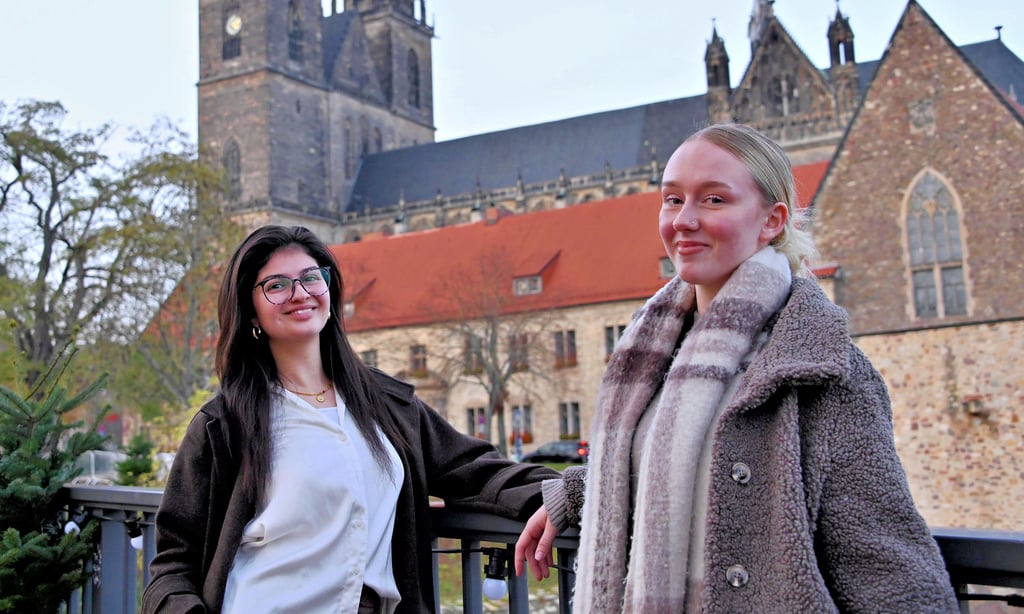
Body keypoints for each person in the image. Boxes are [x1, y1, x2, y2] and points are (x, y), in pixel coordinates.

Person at [515, 123, 959, 613]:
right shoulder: (654, 351)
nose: (683, 220)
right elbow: (666, 458)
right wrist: (578, 493)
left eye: (714, 200)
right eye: (672, 199)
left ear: (772, 220)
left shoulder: (821, 369)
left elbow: (889, 573)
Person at [142, 225, 557, 614]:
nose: (299, 293)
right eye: (276, 285)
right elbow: (173, 566)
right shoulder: (224, 425)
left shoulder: (386, 405)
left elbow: (476, 472)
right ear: (250, 312)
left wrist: (569, 493)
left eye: (311, 277)